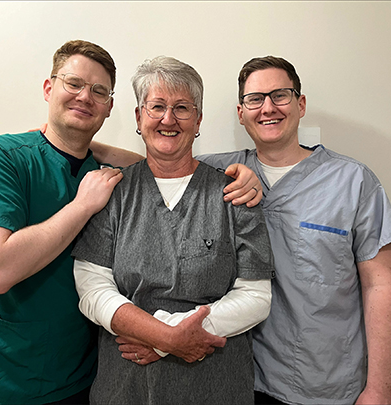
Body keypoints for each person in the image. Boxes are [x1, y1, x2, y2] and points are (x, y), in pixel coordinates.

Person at [0, 40, 264, 405]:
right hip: (1, 374)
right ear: (49, 88)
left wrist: (240, 174)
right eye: (73, 84)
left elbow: (165, 161)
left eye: (99, 91)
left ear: (110, 107)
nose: (85, 97)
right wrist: (82, 205)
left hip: (78, 376)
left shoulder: (111, 172)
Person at [98, 56, 391, 405]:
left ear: (300, 104)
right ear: (241, 113)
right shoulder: (222, 172)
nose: (268, 108)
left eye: (281, 95)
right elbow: (163, 159)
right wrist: (79, 145)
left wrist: (380, 389)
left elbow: (381, 285)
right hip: (244, 377)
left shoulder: (353, 181)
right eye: (255, 99)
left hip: (324, 382)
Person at [71, 56, 275, 405]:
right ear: (138, 117)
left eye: (182, 108)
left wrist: (170, 337)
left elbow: (256, 297)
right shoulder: (112, 192)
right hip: (125, 386)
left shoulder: (234, 192)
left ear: (198, 120)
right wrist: (167, 337)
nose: (169, 119)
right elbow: (91, 288)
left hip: (215, 386)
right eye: (157, 107)